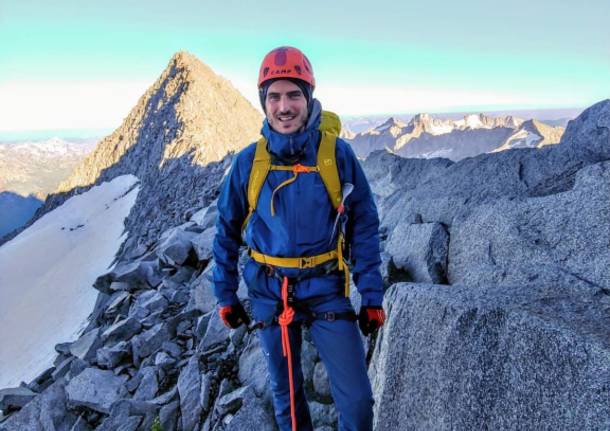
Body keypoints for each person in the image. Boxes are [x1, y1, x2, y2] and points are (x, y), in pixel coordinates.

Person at [212, 46, 385, 431]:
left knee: (357, 404)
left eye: (293, 94)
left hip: (326, 288)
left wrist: (371, 294)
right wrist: (225, 295)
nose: (284, 106)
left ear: (308, 98)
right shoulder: (248, 163)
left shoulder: (335, 155)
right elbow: (225, 231)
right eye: (274, 96)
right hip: (270, 292)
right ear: (263, 102)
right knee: (287, 401)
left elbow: (364, 225)